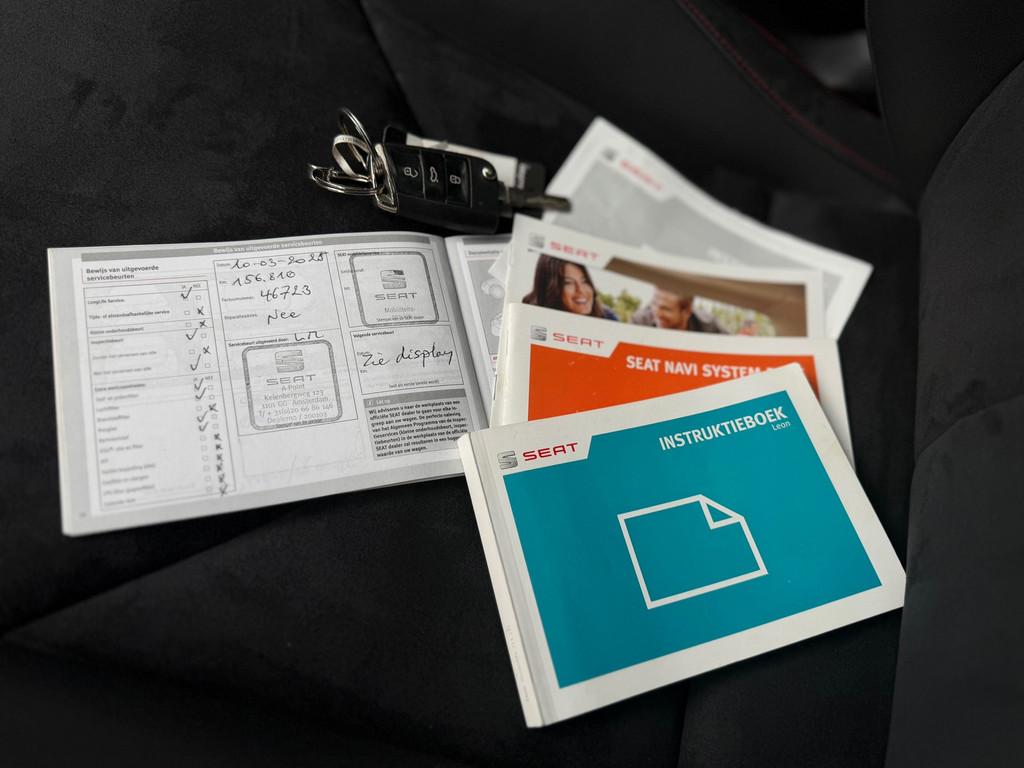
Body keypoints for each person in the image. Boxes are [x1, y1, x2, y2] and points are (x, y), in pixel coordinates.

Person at [522, 254, 618, 319]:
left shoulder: (607, 317)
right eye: (568, 283)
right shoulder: (529, 315)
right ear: (550, 289)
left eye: (585, 281)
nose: (581, 290)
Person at [631, 287, 724, 332]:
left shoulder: (709, 327)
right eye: (654, 304)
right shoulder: (640, 322)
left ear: (687, 311)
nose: (656, 313)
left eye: (666, 309)